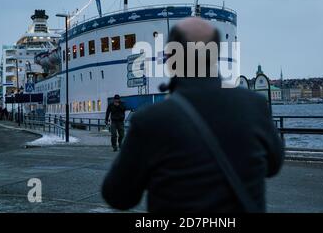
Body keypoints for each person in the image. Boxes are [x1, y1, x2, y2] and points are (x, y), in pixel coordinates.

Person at [102, 17, 284, 212]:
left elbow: (118, 196)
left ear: (170, 58)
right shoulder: (254, 105)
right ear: (215, 56)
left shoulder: (151, 120)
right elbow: (273, 165)